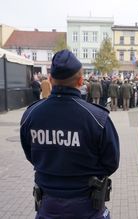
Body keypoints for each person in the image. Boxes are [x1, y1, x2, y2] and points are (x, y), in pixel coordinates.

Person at [20, 49, 120, 219]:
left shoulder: (31, 115)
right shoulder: (97, 118)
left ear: (50, 80)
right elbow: (111, 162)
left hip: (47, 206)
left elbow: (31, 154)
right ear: (81, 81)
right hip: (87, 207)